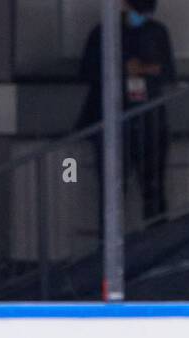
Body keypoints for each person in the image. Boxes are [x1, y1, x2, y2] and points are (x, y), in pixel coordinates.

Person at [76, 0, 176, 221]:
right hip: (116, 120)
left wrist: (139, 69)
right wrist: (126, 69)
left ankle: (155, 237)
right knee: (112, 191)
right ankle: (110, 245)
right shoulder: (104, 33)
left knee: (153, 188)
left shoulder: (155, 32)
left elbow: (166, 71)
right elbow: (87, 71)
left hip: (148, 120)